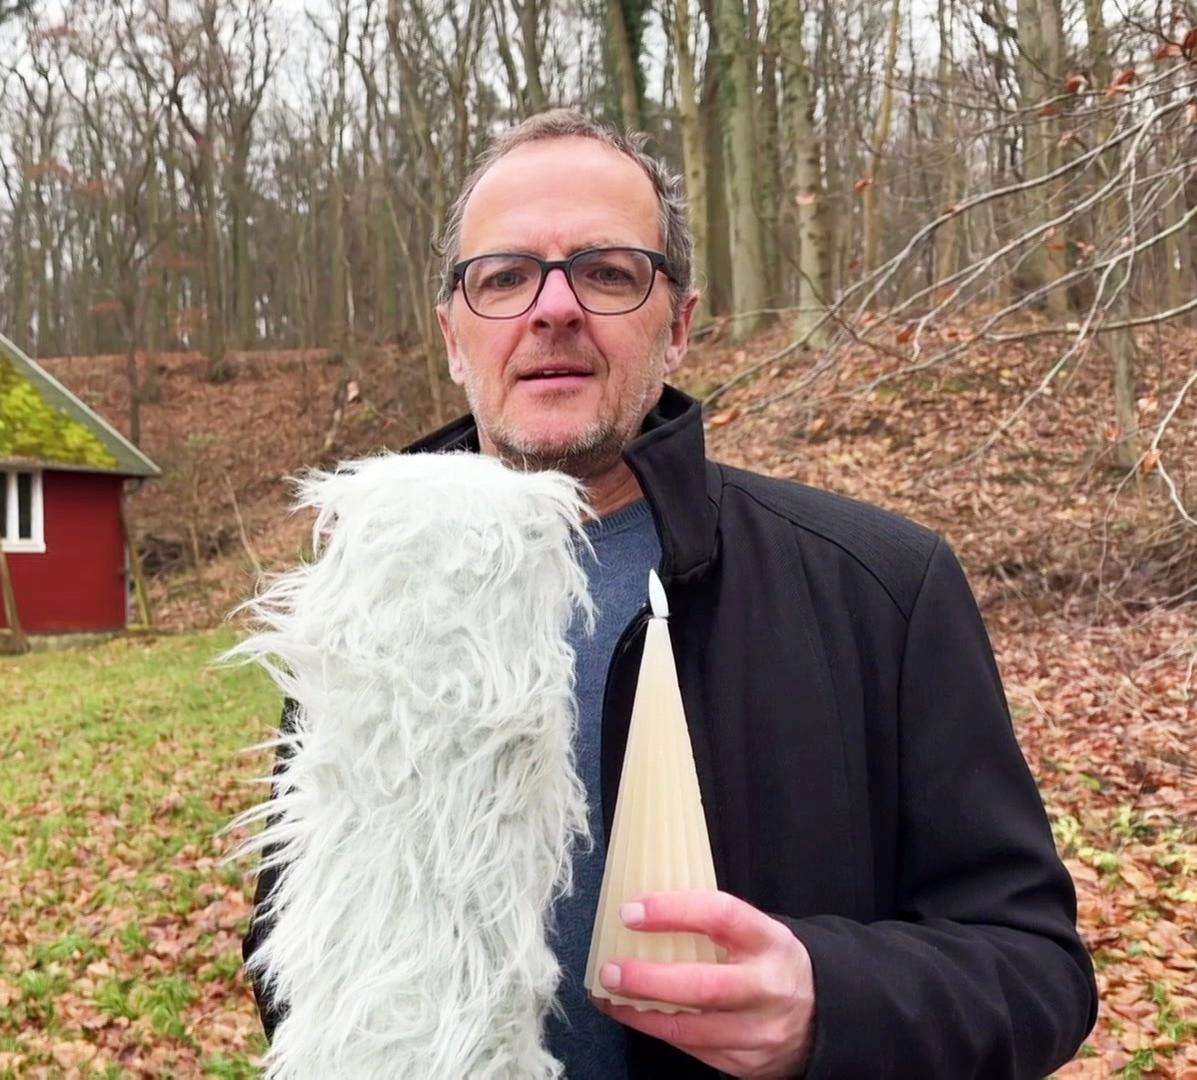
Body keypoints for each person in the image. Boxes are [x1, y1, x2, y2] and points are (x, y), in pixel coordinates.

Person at [241, 108, 1097, 1079]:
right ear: (453, 333)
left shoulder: (880, 590)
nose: (553, 307)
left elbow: (1037, 970)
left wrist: (828, 998)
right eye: (506, 276)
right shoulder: (373, 598)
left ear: (680, 324)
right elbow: (294, 936)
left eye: (608, 272)